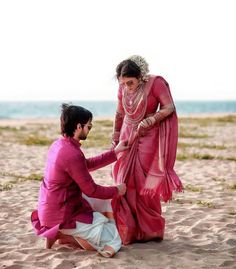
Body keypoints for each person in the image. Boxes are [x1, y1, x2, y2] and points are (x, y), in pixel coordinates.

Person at [31, 103, 129, 258]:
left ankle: (56, 233)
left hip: (49, 209)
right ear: (78, 126)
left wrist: (115, 152)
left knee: (101, 205)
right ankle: (60, 234)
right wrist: (118, 190)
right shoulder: (71, 153)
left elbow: (85, 165)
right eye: (88, 126)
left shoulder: (59, 144)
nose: (89, 129)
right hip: (60, 214)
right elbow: (92, 190)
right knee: (112, 237)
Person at [111, 55, 183, 245]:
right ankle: (128, 228)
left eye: (130, 82)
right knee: (122, 178)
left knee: (142, 180)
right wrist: (115, 137)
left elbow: (169, 107)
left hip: (148, 135)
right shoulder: (123, 87)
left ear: (141, 76)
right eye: (123, 83)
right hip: (127, 133)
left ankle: (149, 230)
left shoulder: (155, 83)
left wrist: (150, 120)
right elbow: (119, 113)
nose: (126, 87)